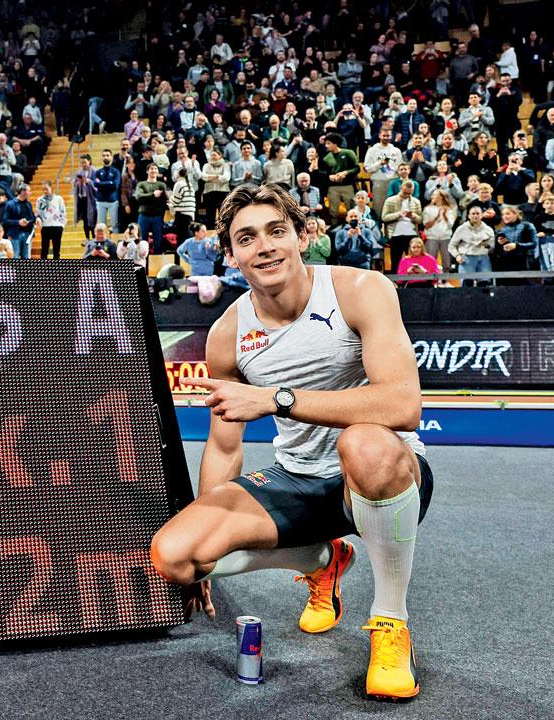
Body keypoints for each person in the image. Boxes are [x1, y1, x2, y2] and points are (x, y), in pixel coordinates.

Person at [150, 183, 433, 702]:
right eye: (247, 238)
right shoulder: (226, 333)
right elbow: (225, 446)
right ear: (231, 256)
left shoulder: (359, 289)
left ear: (303, 236)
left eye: (277, 231)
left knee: (363, 445)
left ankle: (391, 621)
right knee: (175, 555)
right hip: (298, 479)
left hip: (384, 470)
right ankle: (324, 563)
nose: (265, 246)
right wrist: (213, 534)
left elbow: (402, 405)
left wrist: (274, 399)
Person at [380, 180, 423, 270]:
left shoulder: (416, 202)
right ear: (400, 188)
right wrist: (399, 214)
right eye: (405, 192)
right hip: (395, 234)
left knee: (413, 262)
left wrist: (412, 216)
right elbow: (384, 217)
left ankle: (412, 282)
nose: (407, 195)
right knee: (395, 262)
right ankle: (395, 283)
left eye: (409, 193)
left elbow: (420, 220)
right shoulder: (390, 200)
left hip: (412, 235)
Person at [449, 205, 496, 286]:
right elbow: (451, 245)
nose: (475, 216)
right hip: (467, 259)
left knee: (485, 286)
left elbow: (493, 247)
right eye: (473, 213)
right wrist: (457, 256)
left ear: (481, 215)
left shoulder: (488, 230)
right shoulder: (461, 229)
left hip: (484, 258)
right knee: (467, 286)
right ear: (469, 216)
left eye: (478, 213)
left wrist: (487, 245)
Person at [492, 206, 537, 282]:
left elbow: (534, 243)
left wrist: (517, 245)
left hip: (523, 261)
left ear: (515, 214)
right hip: (506, 264)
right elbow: (498, 252)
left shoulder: (527, 226)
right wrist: (500, 244)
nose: (505, 216)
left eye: (507, 214)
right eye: (503, 214)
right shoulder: (501, 231)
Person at [134, 164, 169, 253]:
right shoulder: (141, 184)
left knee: (158, 242)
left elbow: (163, 200)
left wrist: (147, 199)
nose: (153, 170)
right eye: (151, 169)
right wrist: (153, 195)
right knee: (142, 242)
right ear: (147, 171)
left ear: (158, 172)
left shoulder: (161, 185)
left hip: (157, 216)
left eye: (155, 169)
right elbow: (139, 197)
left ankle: (157, 262)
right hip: (144, 216)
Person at [421, 190, 457, 268]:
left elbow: (450, 225)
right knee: (430, 262)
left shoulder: (449, 210)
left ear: (441, 197)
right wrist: (436, 217)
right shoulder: (428, 209)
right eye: (432, 195)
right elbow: (426, 225)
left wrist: (444, 216)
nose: (432, 196)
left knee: (447, 262)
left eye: (435, 195)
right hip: (431, 238)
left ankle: (444, 279)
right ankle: (431, 279)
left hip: (446, 238)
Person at [2, 184, 37, 259]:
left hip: (27, 234)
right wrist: (18, 222)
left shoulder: (28, 204)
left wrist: (36, 219)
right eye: (29, 191)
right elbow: (5, 221)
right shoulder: (10, 204)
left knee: (26, 257)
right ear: (23, 191)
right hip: (15, 235)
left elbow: (32, 217)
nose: (30, 193)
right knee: (15, 256)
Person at [92, 150, 121, 233]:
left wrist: (101, 183)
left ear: (111, 157)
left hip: (113, 201)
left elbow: (115, 185)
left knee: (114, 224)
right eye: (104, 155)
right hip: (101, 201)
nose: (105, 157)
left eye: (107, 155)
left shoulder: (115, 171)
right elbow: (95, 184)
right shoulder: (98, 172)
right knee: (101, 225)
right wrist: (109, 183)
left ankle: (115, 243)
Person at [36, 181, 66, 259]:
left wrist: (62, 225)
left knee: (56, 250)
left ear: (51, 188)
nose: (45, 191)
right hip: (45, 227)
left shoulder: (58, 199)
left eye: (46, 189)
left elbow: (63, 212)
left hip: (57, 227)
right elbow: (38, 213)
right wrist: (38, 218)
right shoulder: (40, 200)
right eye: (43, 189)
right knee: (44, 250)